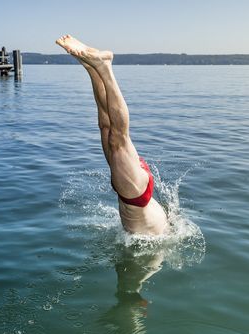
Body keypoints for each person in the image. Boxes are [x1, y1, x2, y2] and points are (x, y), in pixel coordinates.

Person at [56, 35, 168, 235]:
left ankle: (92, 68)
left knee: (106, 127)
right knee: (118, 138)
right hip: (135, 194)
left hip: (137, 191)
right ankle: (105, 68)